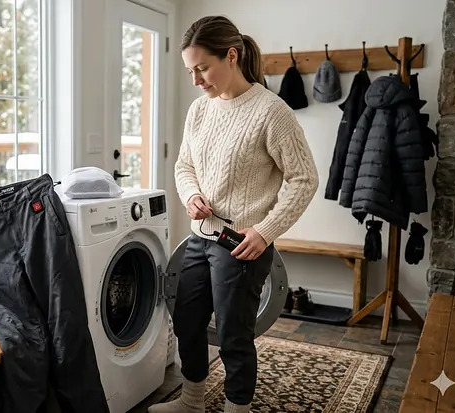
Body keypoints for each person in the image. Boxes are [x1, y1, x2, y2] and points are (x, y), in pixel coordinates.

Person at [147, 15, 319, 413]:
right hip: (199, 238)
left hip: (242, 246)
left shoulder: (271, 112)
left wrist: (265, 231)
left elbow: (303, 179)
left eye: (202, 68)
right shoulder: (199, 111)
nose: (196, 80)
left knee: (233, 335)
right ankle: (191, 403)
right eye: (191, 71)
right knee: (187, 323)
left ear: (231, 56)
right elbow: (184, 165)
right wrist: (190, 195)